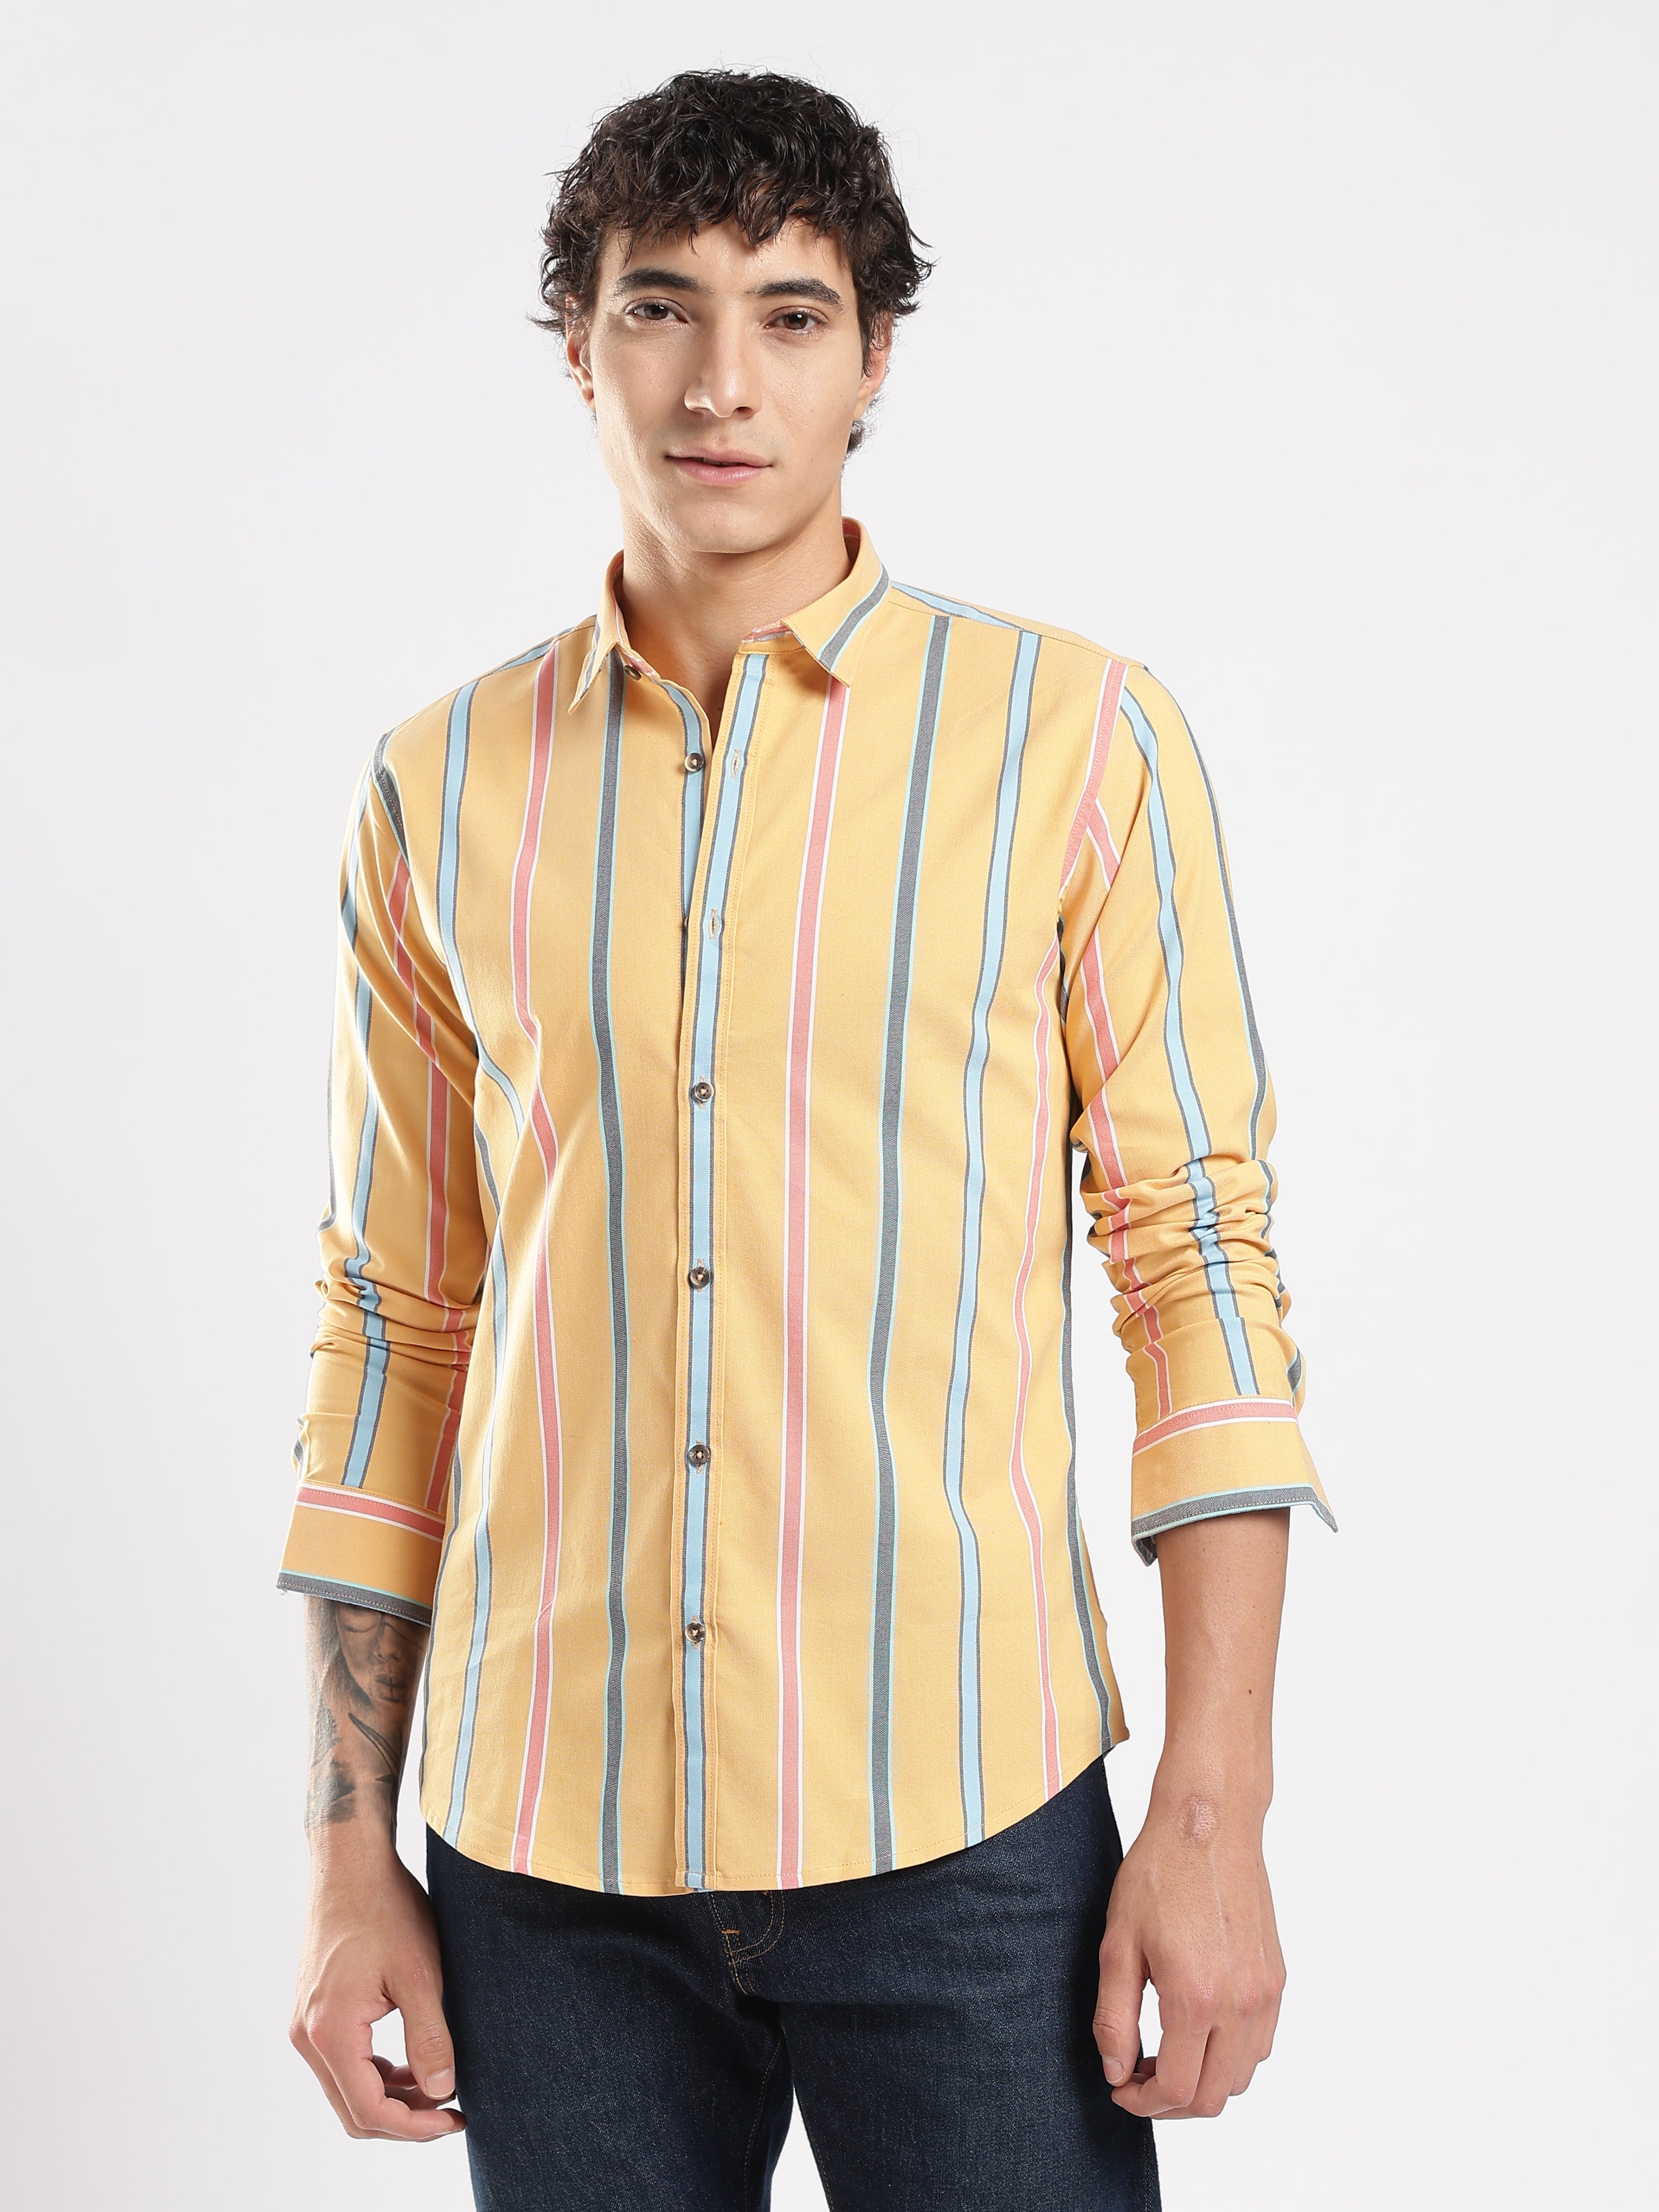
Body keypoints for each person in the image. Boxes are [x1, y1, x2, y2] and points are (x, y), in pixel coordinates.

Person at [279, 66, 1336, 2211]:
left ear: (875, 356)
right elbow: (395, 1322)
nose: (719, 380)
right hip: (543, 1866)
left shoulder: (1072, 743)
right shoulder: (440, 786)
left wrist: (1210, 1814)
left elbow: (1194, 1270)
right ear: (576, 343)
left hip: (967, 1835)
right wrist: (341, 1852)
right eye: (659, 307)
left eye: (788, 312)